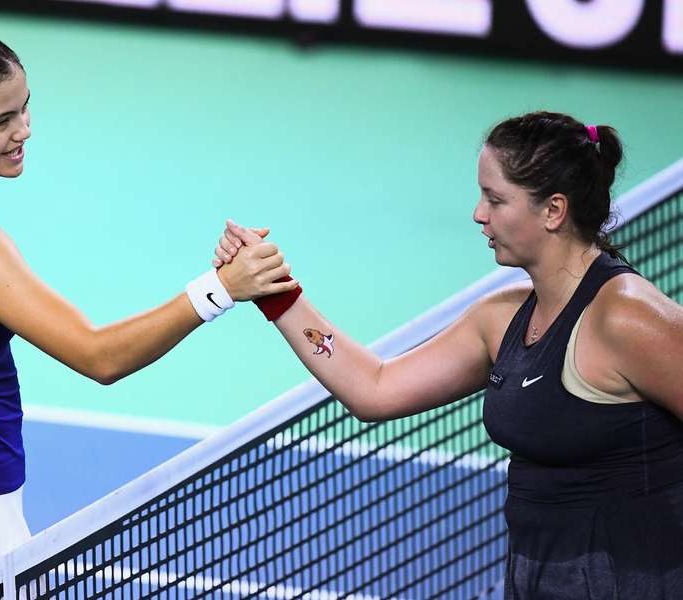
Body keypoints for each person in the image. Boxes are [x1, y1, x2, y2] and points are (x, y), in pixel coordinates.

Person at [0, 27, 298, 600]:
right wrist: (220, 289)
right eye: (1, 121)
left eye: (25, 108)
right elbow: (99, 356)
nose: (24, 130)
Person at [215, 111, 683, 599]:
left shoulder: (626, 318)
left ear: (553, 211)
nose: (479, 214)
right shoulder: (500, 320)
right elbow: (374, 389)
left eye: (496, 199)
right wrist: (276, 294)